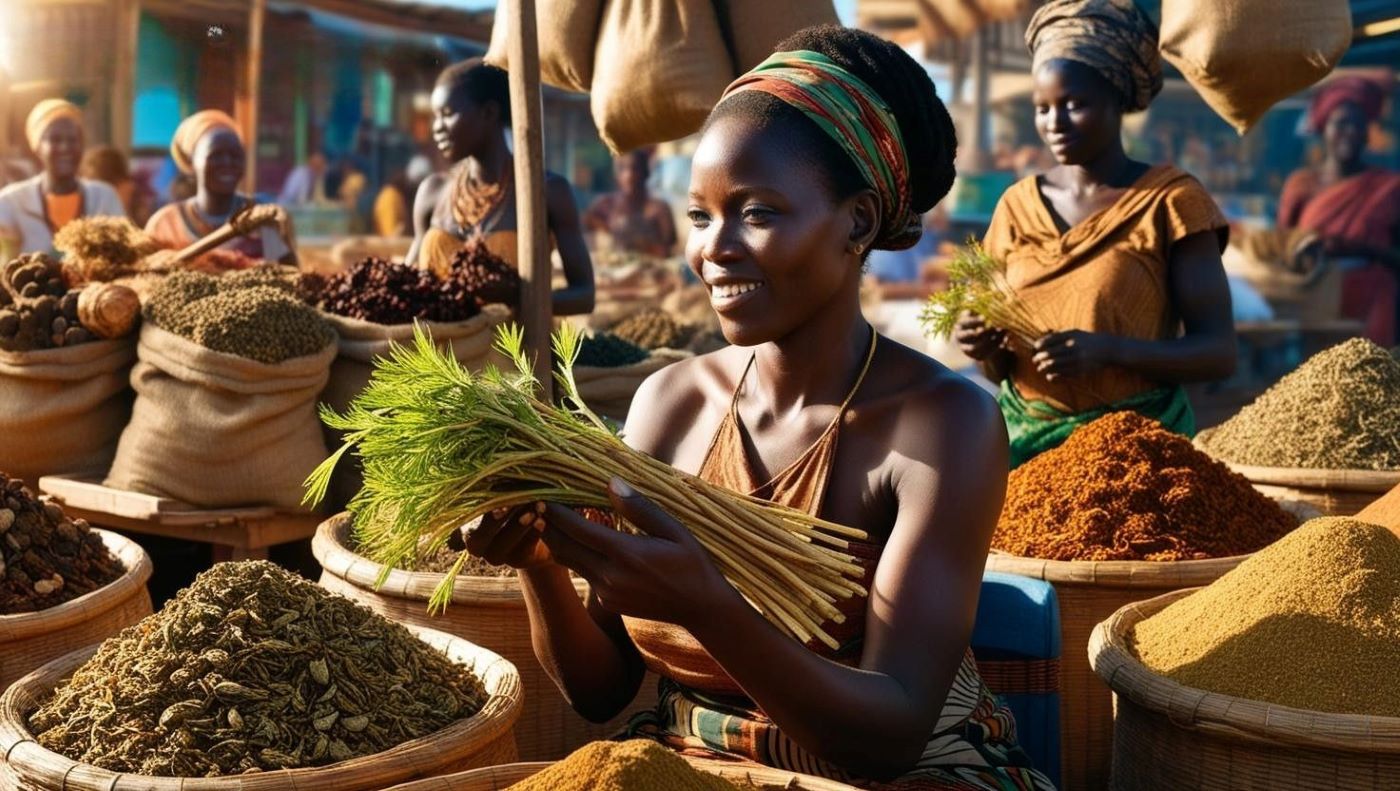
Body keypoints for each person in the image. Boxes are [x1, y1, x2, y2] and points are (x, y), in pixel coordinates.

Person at [462, 25, 1054, 790]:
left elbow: (893, 735)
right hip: (694, 764)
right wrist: (538, 563)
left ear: (859, 221)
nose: (715, 248)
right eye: (701, 215)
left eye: (759, 212)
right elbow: (599, 691)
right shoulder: (669, 405)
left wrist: (707, 604)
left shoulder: (940, 425)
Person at [954, 0, 1236, 468]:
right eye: (1042, 108)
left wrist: (1109, 351)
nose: (1055, 123)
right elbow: (1000, 367)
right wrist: (982, 347)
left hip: (1140, 455)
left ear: (1118, 98)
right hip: (1024, 455)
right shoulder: (1016, 207)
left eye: (1075, 104)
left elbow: (1218, 353)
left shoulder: (1170, 201)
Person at [406, 58, 594, 316]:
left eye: (448, 115)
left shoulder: (547, 191)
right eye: (435, 116)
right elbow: (405, 286)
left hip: (516, 353)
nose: (436, 127)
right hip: (436, 354)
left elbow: (584, 296)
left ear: (489, 113)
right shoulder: (432, 191)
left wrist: (518, 296)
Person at [1277, 76, 1399, 345]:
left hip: (1373, 302)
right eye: (1342, 123)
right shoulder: (1301, 184)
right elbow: (1282, 247)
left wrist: (1361, 249)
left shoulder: (1389, 187)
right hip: (1314, 299)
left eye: (1359, 124)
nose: (1351, 132)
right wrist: (1310, 249)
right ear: (1324, 127)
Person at [144, 110, 297, 265]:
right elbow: (146, 279)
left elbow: (289, 276)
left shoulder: (262, 219)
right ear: (191, 163)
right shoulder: (165, 225)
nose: (227, 163)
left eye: (235, 155)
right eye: (216, 155)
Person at [0, 99, 126, 259]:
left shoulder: (104, 198)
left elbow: (123, 256)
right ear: (37, 146)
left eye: (73, 140)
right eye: (55, 139)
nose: (65, 147)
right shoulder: (11, 203)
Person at [583, 149, 678, 257]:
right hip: (615, 269)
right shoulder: (607, 204)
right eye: (622, 169)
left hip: (650, 270)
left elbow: (668, 249)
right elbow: (585, 227)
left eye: (635, 168)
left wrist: (645, 247)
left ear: (645, 173)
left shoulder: (660, 209)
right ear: (616, 174)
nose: (629, 175)